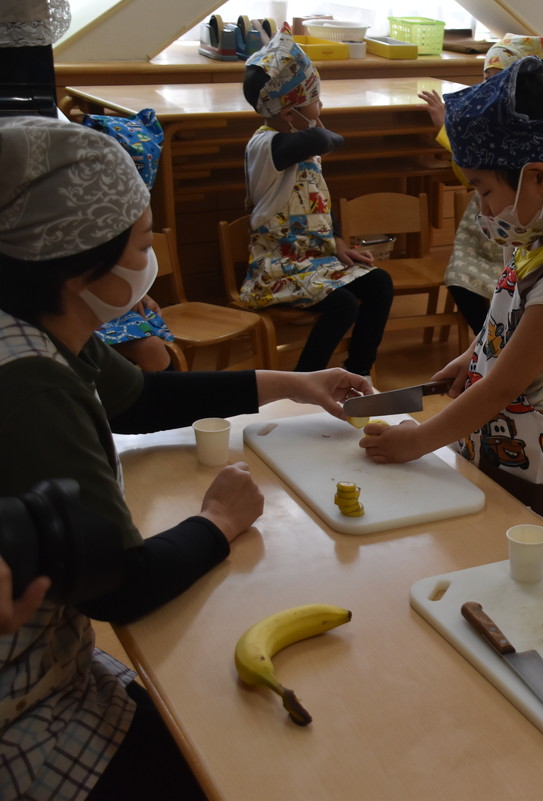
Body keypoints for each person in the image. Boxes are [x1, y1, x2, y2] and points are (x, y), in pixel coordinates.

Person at [0, 116, 373, 800]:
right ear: (79, 265)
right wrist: (218, 520)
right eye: (143, 244)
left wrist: (293, 384)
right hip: (23, 716)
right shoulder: (29, 384)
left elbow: (138, 399)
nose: (149, 263)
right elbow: (121, 588)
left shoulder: (40, 323)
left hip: (56, 663)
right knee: (236, 761)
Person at [359, 58, 543, 555]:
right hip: (499, 449)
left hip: (539, 475)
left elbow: (503, 386)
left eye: (484, 189)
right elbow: (509, 326)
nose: (482, 208)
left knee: (531, 567)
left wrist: (418, 441)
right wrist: (472, 356)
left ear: (538, 177)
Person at [240, 28, 393, 374]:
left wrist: (338, 240)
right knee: (343, 305)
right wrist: (317, 127)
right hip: (278, 266)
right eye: (316, 99)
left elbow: (318, 201)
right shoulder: (265, 146)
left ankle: (357, 372)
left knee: (380, 283)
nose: (321, 106)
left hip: (317, 260)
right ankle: (305, 380)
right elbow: (324, 139)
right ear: (287, 111)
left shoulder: (300, 139)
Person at [420, 33, 543, 334]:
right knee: (458, 277)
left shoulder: (537, 125)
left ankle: (500, 342)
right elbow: (469, 176)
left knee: (518, 290)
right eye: (486, 79)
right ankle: (489, 340)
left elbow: (496, 166)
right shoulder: (485, 119)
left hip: (520, 231)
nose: (489, 89)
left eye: (499, 81)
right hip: (483, 231)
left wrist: (446, 130)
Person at [85, 108, 176, 371]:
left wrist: (142, 294)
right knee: (151, 349)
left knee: (155, 348)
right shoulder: (85, 220)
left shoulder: (128, 212)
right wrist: (125, 294)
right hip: (84, 311)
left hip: (119, 302)